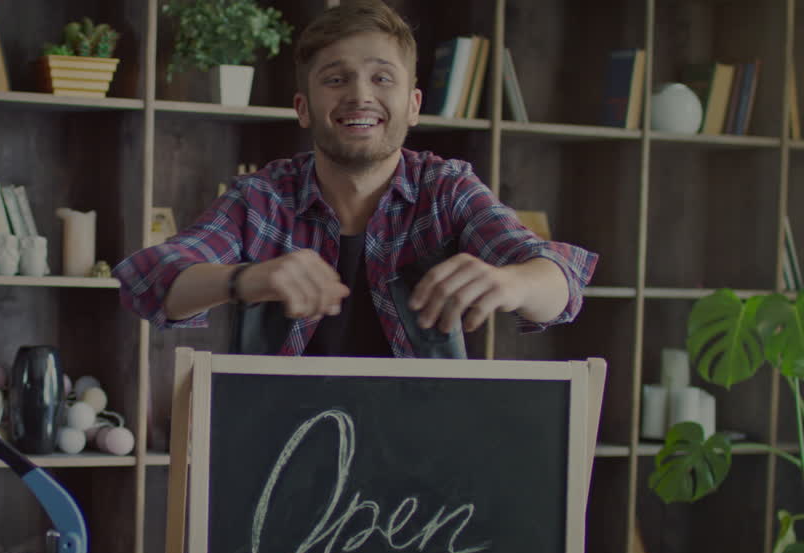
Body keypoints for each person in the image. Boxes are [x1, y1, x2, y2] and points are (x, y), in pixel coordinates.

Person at [113, 0, 598, 358]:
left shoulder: (447, 188)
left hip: (422, 457)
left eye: (382, 78)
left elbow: (563, 284)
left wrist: (508, 283)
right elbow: (150, 282)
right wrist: (248, 278)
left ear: (413, 106)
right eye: (336, 79)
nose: (360, 95)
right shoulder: (262, 197)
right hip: (280, 453)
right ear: (303, 109)